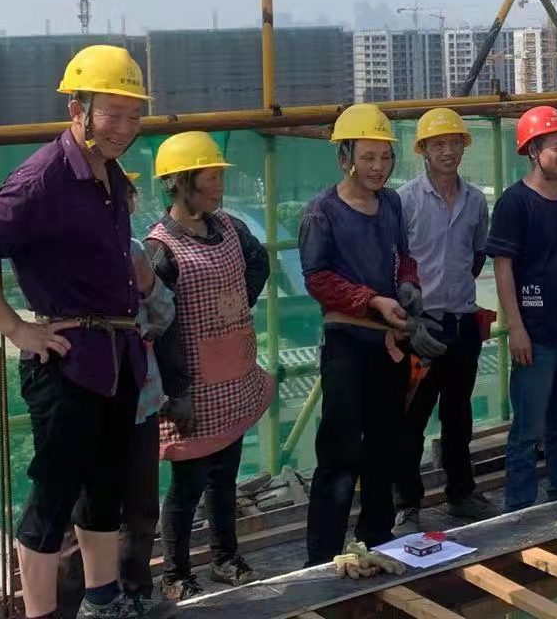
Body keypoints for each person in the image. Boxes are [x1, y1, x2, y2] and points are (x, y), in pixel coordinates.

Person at [0, 45, 153, 619]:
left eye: (133, 116)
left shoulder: (108, 175)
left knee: (105, 489)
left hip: (115, 357)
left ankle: (102, 600)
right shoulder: (43, 178)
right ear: (77, 109)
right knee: (54, 498)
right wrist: (17, 329)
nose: (123, 128)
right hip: (69, 361)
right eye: (112, 114)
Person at [299, 105, 446, 565]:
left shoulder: (391, 204)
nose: (378, 167)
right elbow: (318, 278)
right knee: (340, 451)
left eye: (384, 157)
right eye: (368, 157)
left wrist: (408, 286)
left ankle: (378, 539)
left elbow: (403, 256)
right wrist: (372, 301)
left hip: (388, 343)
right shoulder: (322, 213)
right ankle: (322, 555)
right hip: (347, 343)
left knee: (385, 444)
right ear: (345, 158)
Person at [143, 132, 272, 601]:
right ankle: (176, 573)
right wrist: (176, 392)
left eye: (219, 176)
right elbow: (159, 327)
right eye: (210, 177)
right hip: (193, 386)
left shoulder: (229, 228)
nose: (219, 185)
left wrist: (234, 307)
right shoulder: (160, 248)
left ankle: (225, 557)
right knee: (187, 484)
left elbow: (258, 265)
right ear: (180, 182)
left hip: (234, 375)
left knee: (225, 475)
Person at [57, 175, 174, 617]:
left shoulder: (134, 252)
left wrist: (147, 287)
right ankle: (79, 604)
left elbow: (163, 314)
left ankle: (135, 596)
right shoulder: (60, 260)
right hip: (86, 401)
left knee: (139, 509)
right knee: (85, 514)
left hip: (138, 400)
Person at [489, 106, 557, 513]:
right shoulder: (515, 203)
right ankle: (520, 506)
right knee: (527, 428)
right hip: (536, 336)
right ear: (533, 151)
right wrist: (516, 328)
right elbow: (503, 267)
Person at [392, 108, 497, 534]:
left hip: (462, 322)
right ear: (424, 151)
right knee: (412, 420)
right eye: (439, 144)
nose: (448, 151)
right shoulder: (405, 201)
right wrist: (411, 319)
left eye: (455, 143)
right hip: (421, 326)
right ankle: (407, 503)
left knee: (458, 415)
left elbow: (476, 255)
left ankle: (460, 492)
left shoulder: (475, 200)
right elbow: (396, 262)